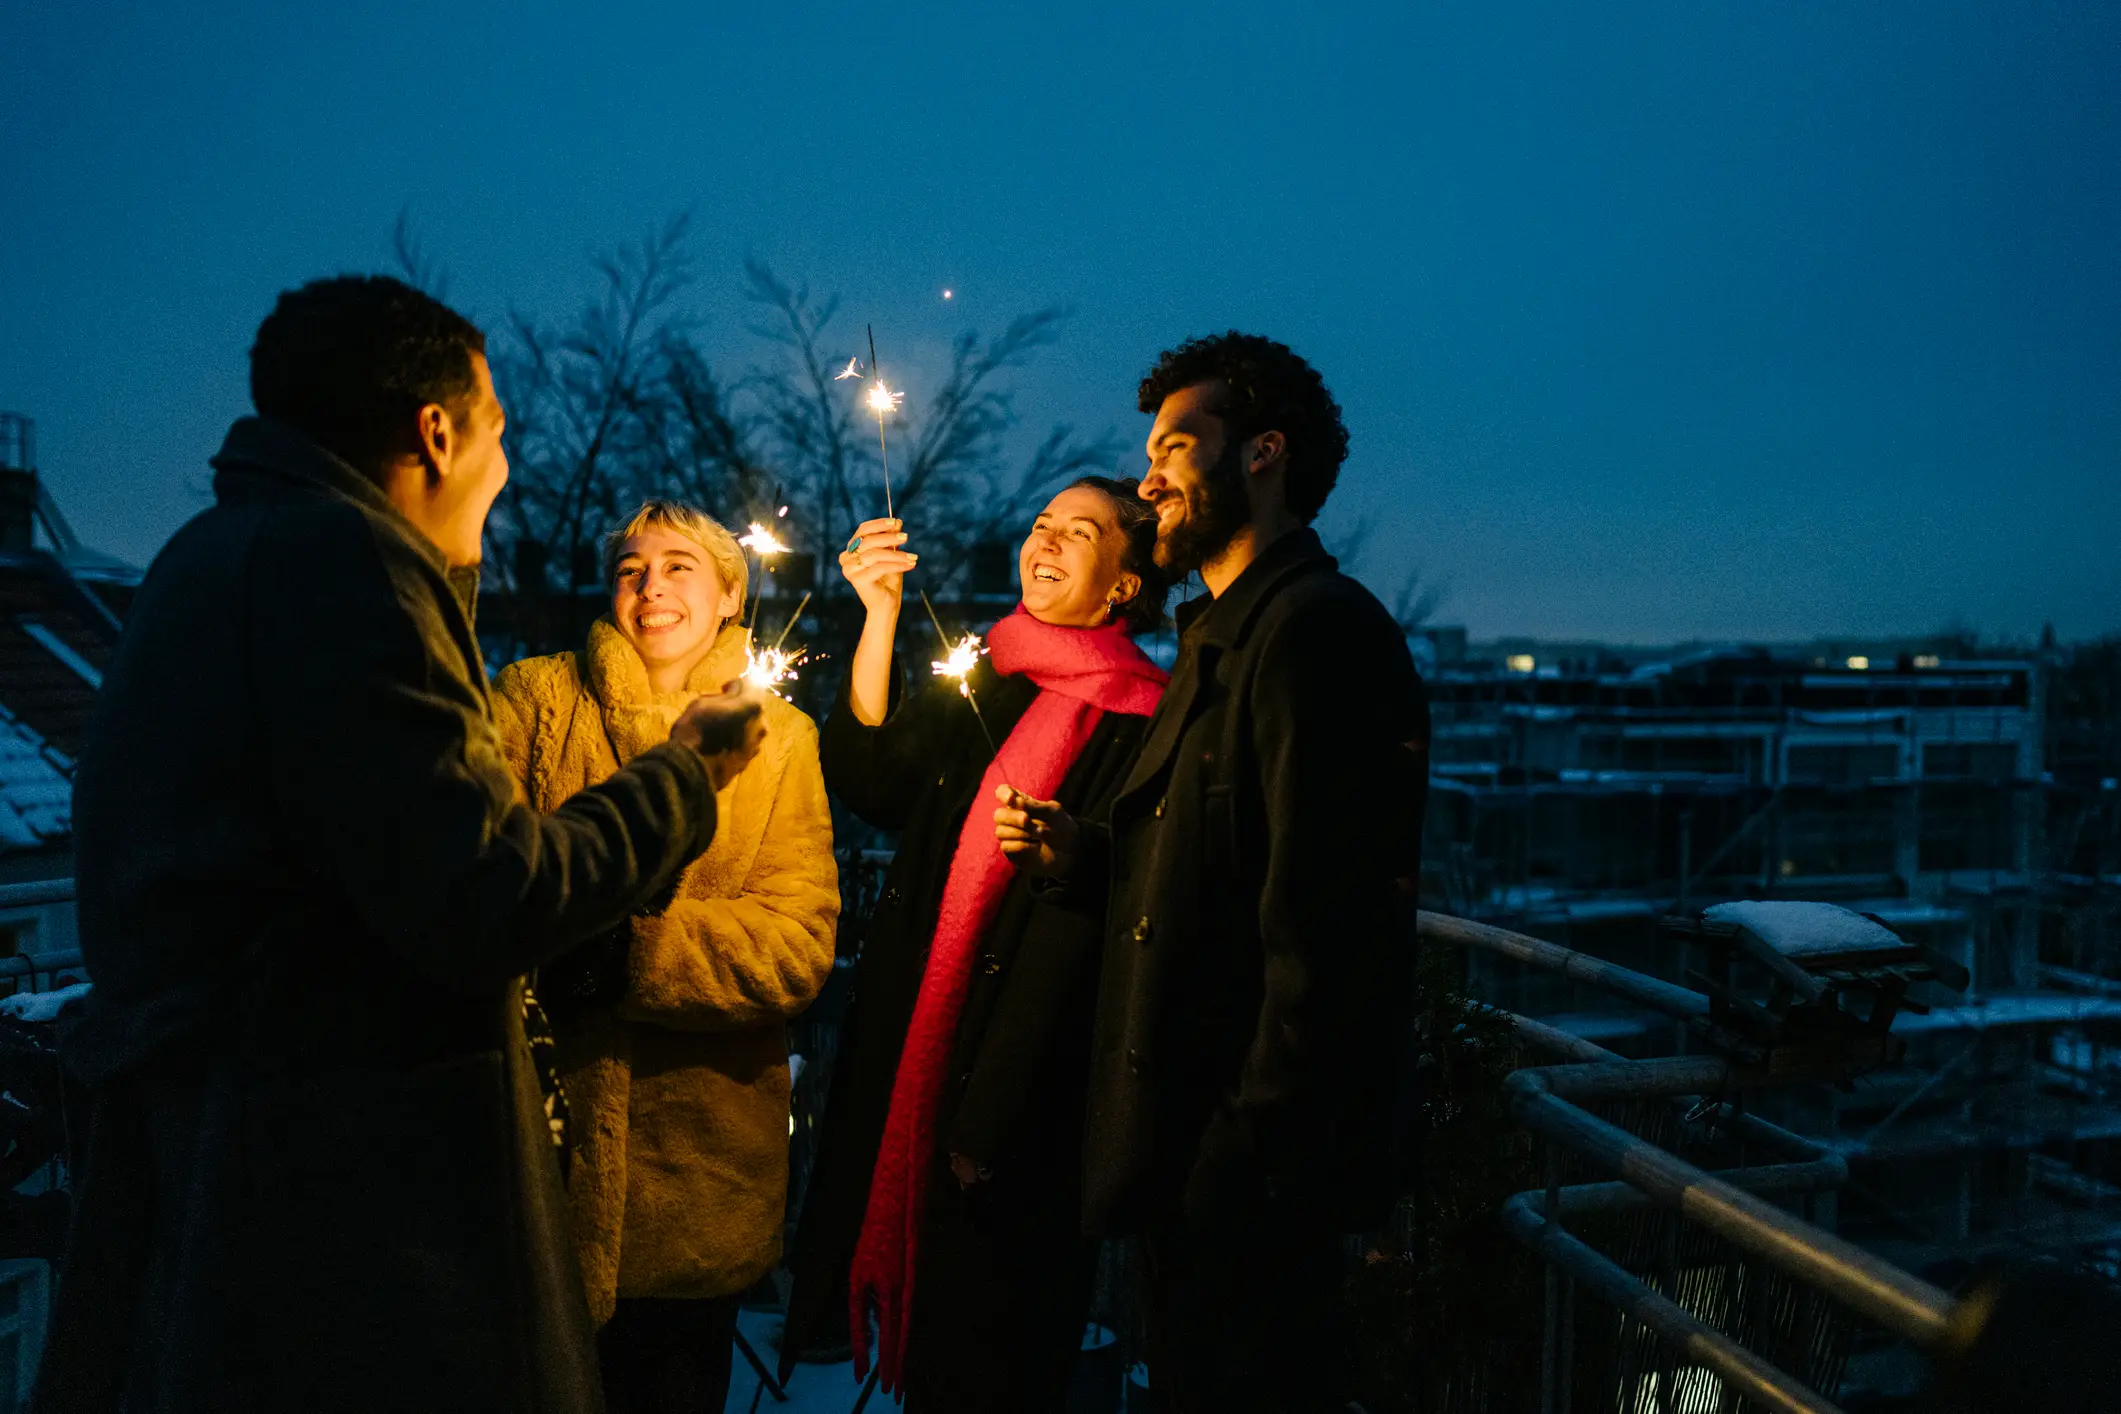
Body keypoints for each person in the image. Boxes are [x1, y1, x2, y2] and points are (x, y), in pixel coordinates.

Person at [37, 276, 766, 1414]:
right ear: (437, 430)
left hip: (231, 1185)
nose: (511, 469)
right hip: (344, 1226)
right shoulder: (341, 569)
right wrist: (686, 775)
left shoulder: (216, 555)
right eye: (500, 432)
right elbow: (486, 892)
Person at [996, 334, 1431, 1414]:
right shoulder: (1221, 639)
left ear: (1263, 455)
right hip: (1192, 1175)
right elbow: (1217, 862)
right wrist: (1085, 856)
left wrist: (1235, 1167)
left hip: (1243, 1197)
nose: (1147, 477)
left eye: (1175, 445)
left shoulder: (1318, 637)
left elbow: (1328, 943)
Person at [782, 477, 1170, 1411]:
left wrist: (1072, 856)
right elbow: (876, 781)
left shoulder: (1148, 715)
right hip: (918, 1035)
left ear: (1121, 585)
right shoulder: (991, 670)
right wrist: (875, 613)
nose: (1046, 542)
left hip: (1020, 1081)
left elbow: (1136, 903)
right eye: (1040, 524)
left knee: (993, 1347)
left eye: (1078, 534)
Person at [490, 500, 838, 1414]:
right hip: (532, 1162)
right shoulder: (532, 700)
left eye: (681, 565)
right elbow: (481, 876)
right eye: (632, 567)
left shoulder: (778, 739)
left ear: (732, 596)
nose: (651, 586)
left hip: (695, 1185)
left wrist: (627, 955)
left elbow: (798, 945)